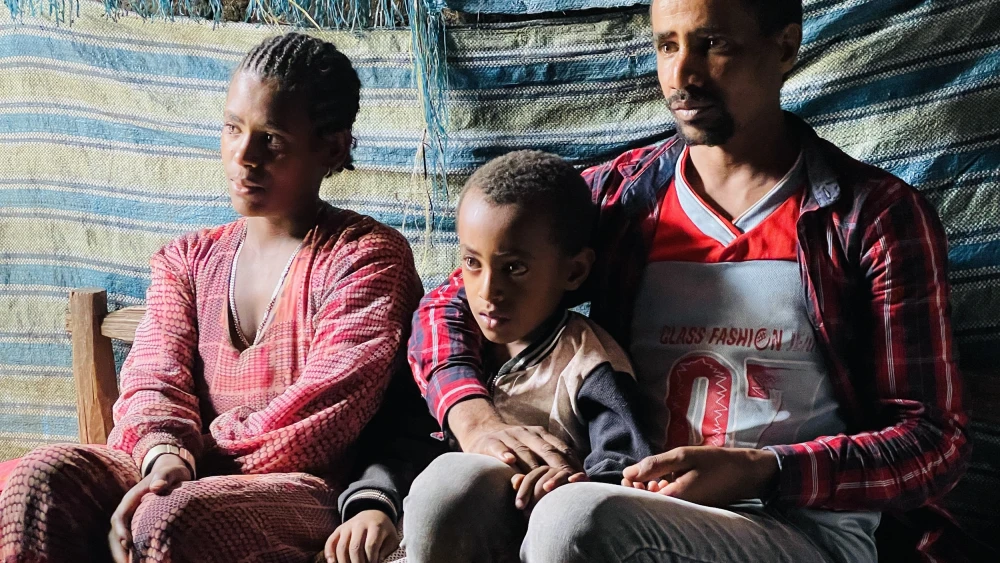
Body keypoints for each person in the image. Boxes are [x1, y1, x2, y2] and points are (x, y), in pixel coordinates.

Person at [406, 0, 973, 561]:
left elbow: (933, 441)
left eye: (713, 45)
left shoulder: (871, 217)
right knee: (449, 486)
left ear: (785, 46)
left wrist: (764, 470)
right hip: (630, 497)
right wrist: (475, 419)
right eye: (667, 45)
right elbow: (447, 306)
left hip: (796, 526)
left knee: (576, 520)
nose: (683, 75)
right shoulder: (620, 201)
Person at [0, 33, 433, 563]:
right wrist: (164, 456)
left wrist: (191, 460)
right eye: (233, 129)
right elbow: (153, 381)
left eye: (271, 138)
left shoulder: (366, 257)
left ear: (334, 147)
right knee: (38, 481)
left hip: (304, 488)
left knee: (172, 517)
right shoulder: (186, 259)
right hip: (179, 469)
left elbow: (323, 418)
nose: (244, 156)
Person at [403, 150, 651, 562]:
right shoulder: (454, 348)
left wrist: (568, 483)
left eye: (514, 268)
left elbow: (623, 470)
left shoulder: (589, 363)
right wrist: (372, 501)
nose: (487, 291)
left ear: (573, 272)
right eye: (471, 263)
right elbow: (403, 440)